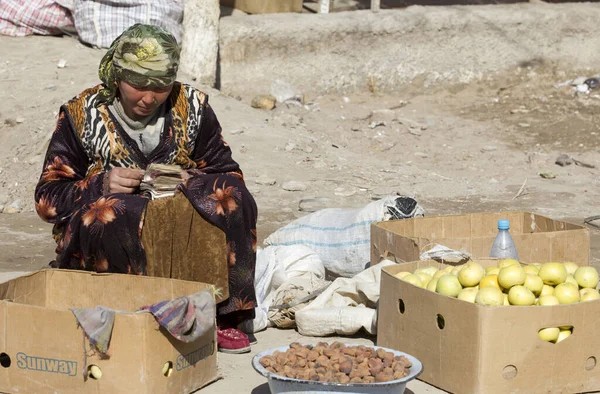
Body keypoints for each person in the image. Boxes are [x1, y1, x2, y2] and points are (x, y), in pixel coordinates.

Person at [34, 24, 257, 354]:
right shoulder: (82, 115)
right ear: (117, 76)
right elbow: (47, 200)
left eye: (161, 86)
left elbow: (228, 174)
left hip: (179, 232)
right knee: (117, 209)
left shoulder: (192, 107)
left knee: (230, 197)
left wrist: (191, 179)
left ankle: (221, 314)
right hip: (112, 239)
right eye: (138, 85)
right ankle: (128, 315)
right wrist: (99, 183)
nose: (149, 97)